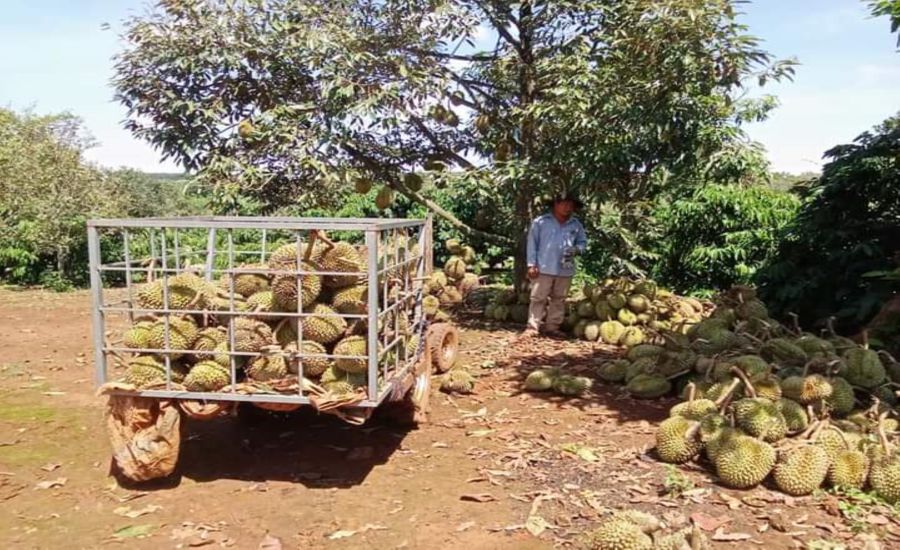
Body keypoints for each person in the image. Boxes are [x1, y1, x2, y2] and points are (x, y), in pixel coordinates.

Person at [522, 192, 587, 338]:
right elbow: (532, 244)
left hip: (565, 268)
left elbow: (582, 242)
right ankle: (532, 327)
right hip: (544, 267)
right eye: (564, 204)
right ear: (555, 205)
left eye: (570, 205)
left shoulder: (576, 225)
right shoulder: (541, 222)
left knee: (559, 298)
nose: (567, 207)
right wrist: (531, 264)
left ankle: (553, 326)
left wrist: (577, 249)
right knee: (538, 298)